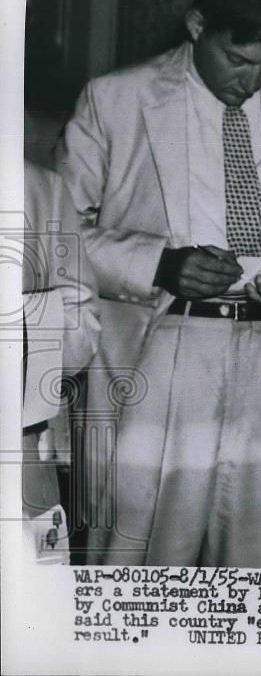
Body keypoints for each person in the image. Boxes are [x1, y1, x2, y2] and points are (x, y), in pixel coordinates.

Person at [56, 0, 261, 567]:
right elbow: (54, 241)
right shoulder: (114, 100)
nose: (250, 81)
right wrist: (159, 264)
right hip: (158, 355)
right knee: (136, 570)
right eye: (236, 58)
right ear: (198, 24)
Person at [21, 162, 101, 529]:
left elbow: (81, 320)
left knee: (33, 577)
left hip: (19, 454)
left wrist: (27, 338)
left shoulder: (39, 185)